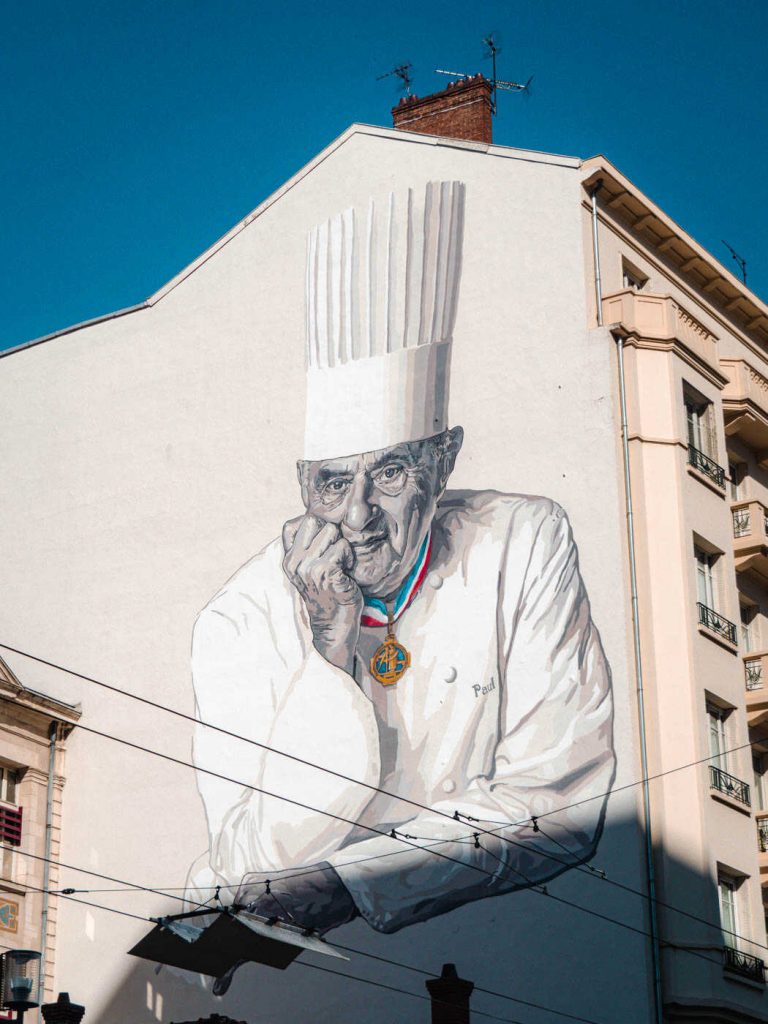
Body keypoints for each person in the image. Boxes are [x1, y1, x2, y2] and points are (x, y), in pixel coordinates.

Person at [187, 181, 615, 953]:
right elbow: (250, 860)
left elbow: (559, 800)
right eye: (331, 483)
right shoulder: (238, 618)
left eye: (388, 473)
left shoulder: (522, 540)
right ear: (302, 484)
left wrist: (353, 880)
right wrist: (327, 651)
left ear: (443, 462)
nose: (357, 516)